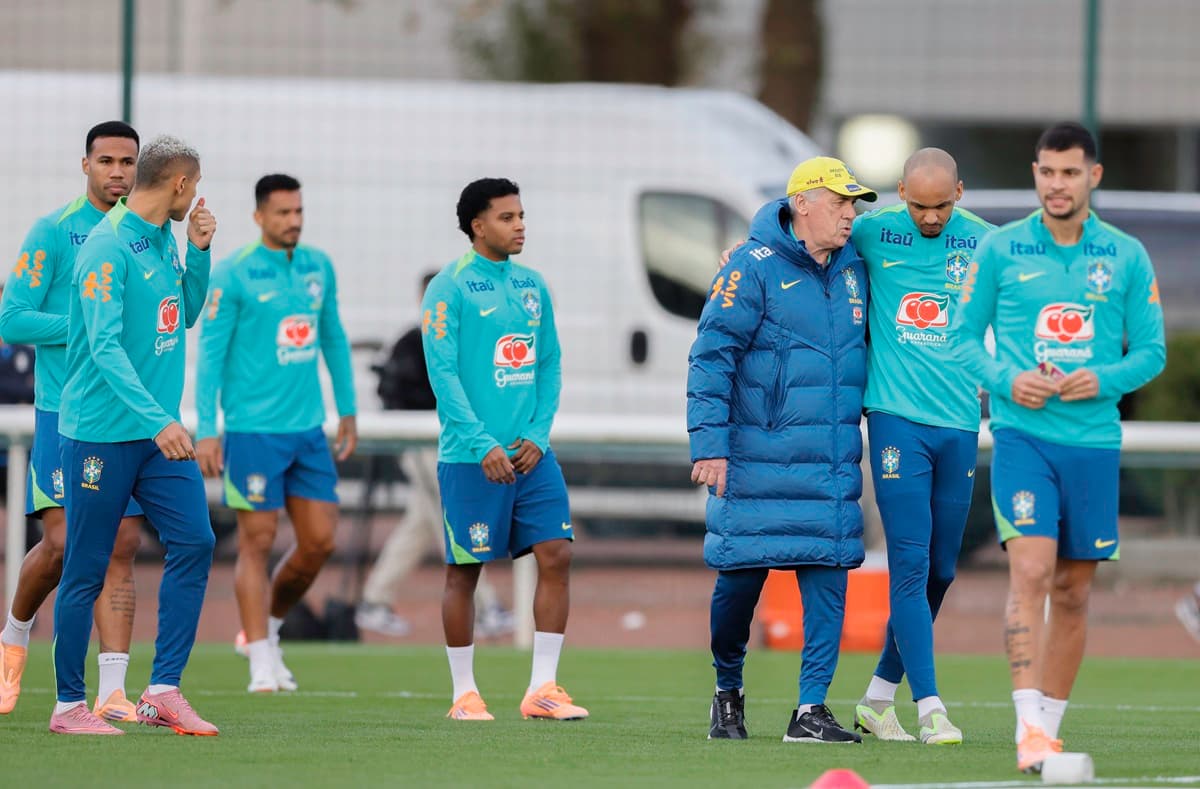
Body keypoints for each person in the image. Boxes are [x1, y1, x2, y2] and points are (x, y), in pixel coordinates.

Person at [954, 122, 1166, 772]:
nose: (1055, 184)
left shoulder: (1126, 256)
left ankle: (1049, 726)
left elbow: (1152, 352)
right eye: (1046, 171)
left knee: (1073, 590)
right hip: (1022, 437)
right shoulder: (1000, 248)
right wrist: (1004, 379)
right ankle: (1027, 729)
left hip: (1095, 443)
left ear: (1093, 176)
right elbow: (962, 338)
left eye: (1069, 172)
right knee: (1032, 572)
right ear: (1036, 173)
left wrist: (1102, 379)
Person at [689, 156, 875, 743]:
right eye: (841, 202)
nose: (851, 215)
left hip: (830, 460)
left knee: (829, 578)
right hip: (755, 459)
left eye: (854, 204)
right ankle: (726, 690)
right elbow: (710, 354)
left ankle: (811, 710)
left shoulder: (858, 266)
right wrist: (710, 444)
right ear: (802, 204)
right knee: (738, 585)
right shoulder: (751, 266)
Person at [52, 134, 219, 735]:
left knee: (196, 541)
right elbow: (102, 347)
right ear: (178, 184)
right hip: (102, 435)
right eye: (193, 186)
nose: (196, 197)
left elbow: (186, 313)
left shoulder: (165, 240)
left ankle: (163, 690)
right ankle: (68, 704)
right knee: (87, 566)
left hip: (156, 437)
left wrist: (199, 251)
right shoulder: (106, 246)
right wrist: (160, 420)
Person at [423, 177, 586, 722]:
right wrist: (479, 442)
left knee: (557, 554)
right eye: (507, 217)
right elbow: (442, 374)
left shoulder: (533, 285)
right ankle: (463, 694)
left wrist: (539, 436)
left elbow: (549, 363)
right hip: (472, 458)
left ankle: (543, 688)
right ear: (477, 225)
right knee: (464, 571)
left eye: (521, 216)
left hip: (532, 456)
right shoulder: (450, 286)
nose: (520, 226)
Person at [0, 121, 147, 723]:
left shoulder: (148, 235)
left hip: (129, 414)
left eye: (128, 162)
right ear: (85, 165)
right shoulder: (55, 232)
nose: (117, 172)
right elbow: (13, 320)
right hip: (67, 414)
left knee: (123, 545)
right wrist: (84, 330)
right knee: (62, 544)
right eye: (106, 160)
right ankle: (13, 636)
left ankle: (113, 690)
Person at [850, 149, 994, 745]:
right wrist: (743, 249)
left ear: (959, 192)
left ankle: (877, 699)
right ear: (899, 192)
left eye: (940, 206)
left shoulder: (988, 242)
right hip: (895, 423)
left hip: (960, 425)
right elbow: (790, 219)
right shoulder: (871, 229)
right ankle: (931, 707)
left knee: (940, 571)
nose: (929, 218)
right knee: (909, 567)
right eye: (917, 205)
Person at [195, 173, 357, 693]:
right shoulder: (234, 272)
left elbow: (333, 336)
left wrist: (348, 410)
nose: (293, 221)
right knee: (257, 542)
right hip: (252, 432)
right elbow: (210, 356)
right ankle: (261, 659)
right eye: (283, 213)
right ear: (259, 216)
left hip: (308, 431)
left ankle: (266, 628)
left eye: (298, 212)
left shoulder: (318, 267)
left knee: (319, 543)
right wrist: (207, 429)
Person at [356, 272, 513, 639]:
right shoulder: (413, 343)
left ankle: (374, 599)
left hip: (450, 443)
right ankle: (488, 606)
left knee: (422, 522)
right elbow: (397, 396)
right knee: (451, 517)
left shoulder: (462, 341)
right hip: (421, 444)